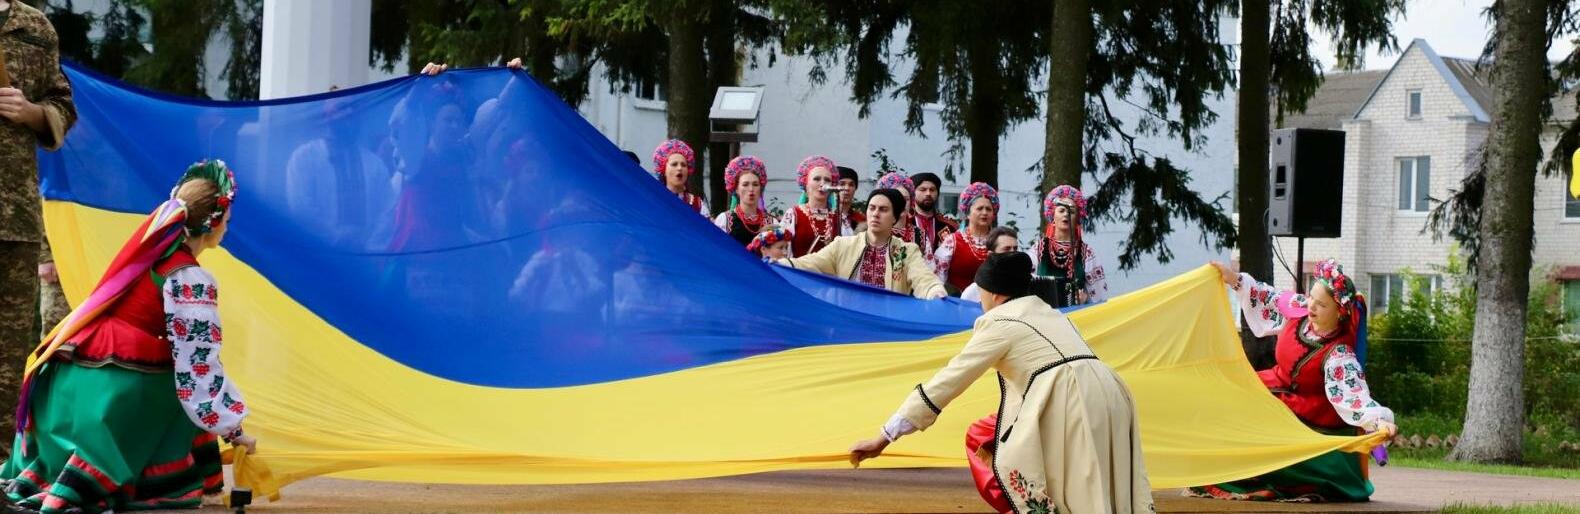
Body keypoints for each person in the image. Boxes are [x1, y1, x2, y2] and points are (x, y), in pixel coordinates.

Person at [1, 161, 254, 514]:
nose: (228, 226)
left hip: (68, 383)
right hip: (112, 393)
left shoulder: (150, 254)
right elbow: (198, 368)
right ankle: (151, 477)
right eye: (227, 218)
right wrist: (234, 428)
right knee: (178, 384)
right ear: (213, 221)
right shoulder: (188, 278)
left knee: (173, 370)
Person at [848, 252, 1152, 514]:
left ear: (995, 295)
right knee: (1101, 484)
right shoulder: (1050, 313)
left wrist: (885, 437)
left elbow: (947, 382)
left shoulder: (999, 321)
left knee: (1076, 488)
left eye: (980, 291)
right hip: (1111, 391)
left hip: (1068, 397)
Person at [1188, 259, 1397, 503]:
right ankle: (1215, 465)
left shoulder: (1339, 356)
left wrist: (1379, 422)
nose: (1312, 306)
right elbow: (1266, 297)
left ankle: (1241, 474)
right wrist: (1233, 278)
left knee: (1255, 427)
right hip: (1273, 386)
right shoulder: (1299, 310)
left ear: (1339, 313)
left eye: (1322, 304)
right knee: (1224, 397)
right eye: (1311, 297)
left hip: (1307, 411)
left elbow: (1355, 397)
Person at [0, 0, 78, 440]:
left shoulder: (35, 26)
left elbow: (63, 104)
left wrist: (31, 112)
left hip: (14, 220)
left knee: (8, 362)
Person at [778, 189, 945, 299]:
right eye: (872, 208)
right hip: (851, 323)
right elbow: (809, 263)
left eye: (883, 209)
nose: (875, 214)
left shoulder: (906, 251)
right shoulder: (843, 245)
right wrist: (778, 265)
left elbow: (923, 279)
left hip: (888, 325)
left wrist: (935, 292)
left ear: (895, 217)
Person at [1030, 186, 1107, 306]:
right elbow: (1026, 285)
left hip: (1075, 314)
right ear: (1053, 216)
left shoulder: (1086, 252)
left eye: (1071, 211)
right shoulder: (1038, 249)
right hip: (1043, 314)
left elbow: (1099, 297)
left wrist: (1085, 300)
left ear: (1077, 218)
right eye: (1061, 211)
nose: (1066, 214)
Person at [933, 182, 999, 297]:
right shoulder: (953, 241)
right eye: (979, 208)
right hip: (958, 303)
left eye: (988, 209)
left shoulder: (999, 241)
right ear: (968, 213)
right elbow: (939, 279)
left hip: (993, 304)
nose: (984, 213)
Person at [779, 156, 849, 256]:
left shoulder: (839, 218)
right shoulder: (793, 214)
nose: (822, 183)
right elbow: (783, 251)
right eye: (817, 179)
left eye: (827, 180)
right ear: (806, 184)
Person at [713, 156, 771, 246]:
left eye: (755, 184)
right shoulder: (724, 220)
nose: (751, 189)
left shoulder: (771, 222)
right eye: (745, 184)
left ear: (761, 188)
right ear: (736, 189)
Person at [959, 226, 1020, 302]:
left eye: (1015, 249)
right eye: (1006, 249)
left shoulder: (1028, 284)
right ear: (991, 255)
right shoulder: (974, 292)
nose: (1013, 253)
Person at [652, 139, 708, 217]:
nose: (679, 168)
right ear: (663, 170)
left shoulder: (697, 204)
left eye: (683, 165)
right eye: (674, 164)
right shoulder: (654, 200)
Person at [909, 172, 958, 256]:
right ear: (913, 193)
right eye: (923, 189)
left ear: (937, 193)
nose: (928, 193)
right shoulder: (905, 223)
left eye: (932, 190)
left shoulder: (949, 226)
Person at [874, 172, 917, 243]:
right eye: (896, 198)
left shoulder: (920, 234)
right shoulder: (874, 232)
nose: (902, 203)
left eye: (906, 199)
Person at [836, 166, 865, 232]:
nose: (847, 188)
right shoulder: (827, 217)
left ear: (855, 188)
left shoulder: (861, 219)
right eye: (842, 184)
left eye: (851, 185)